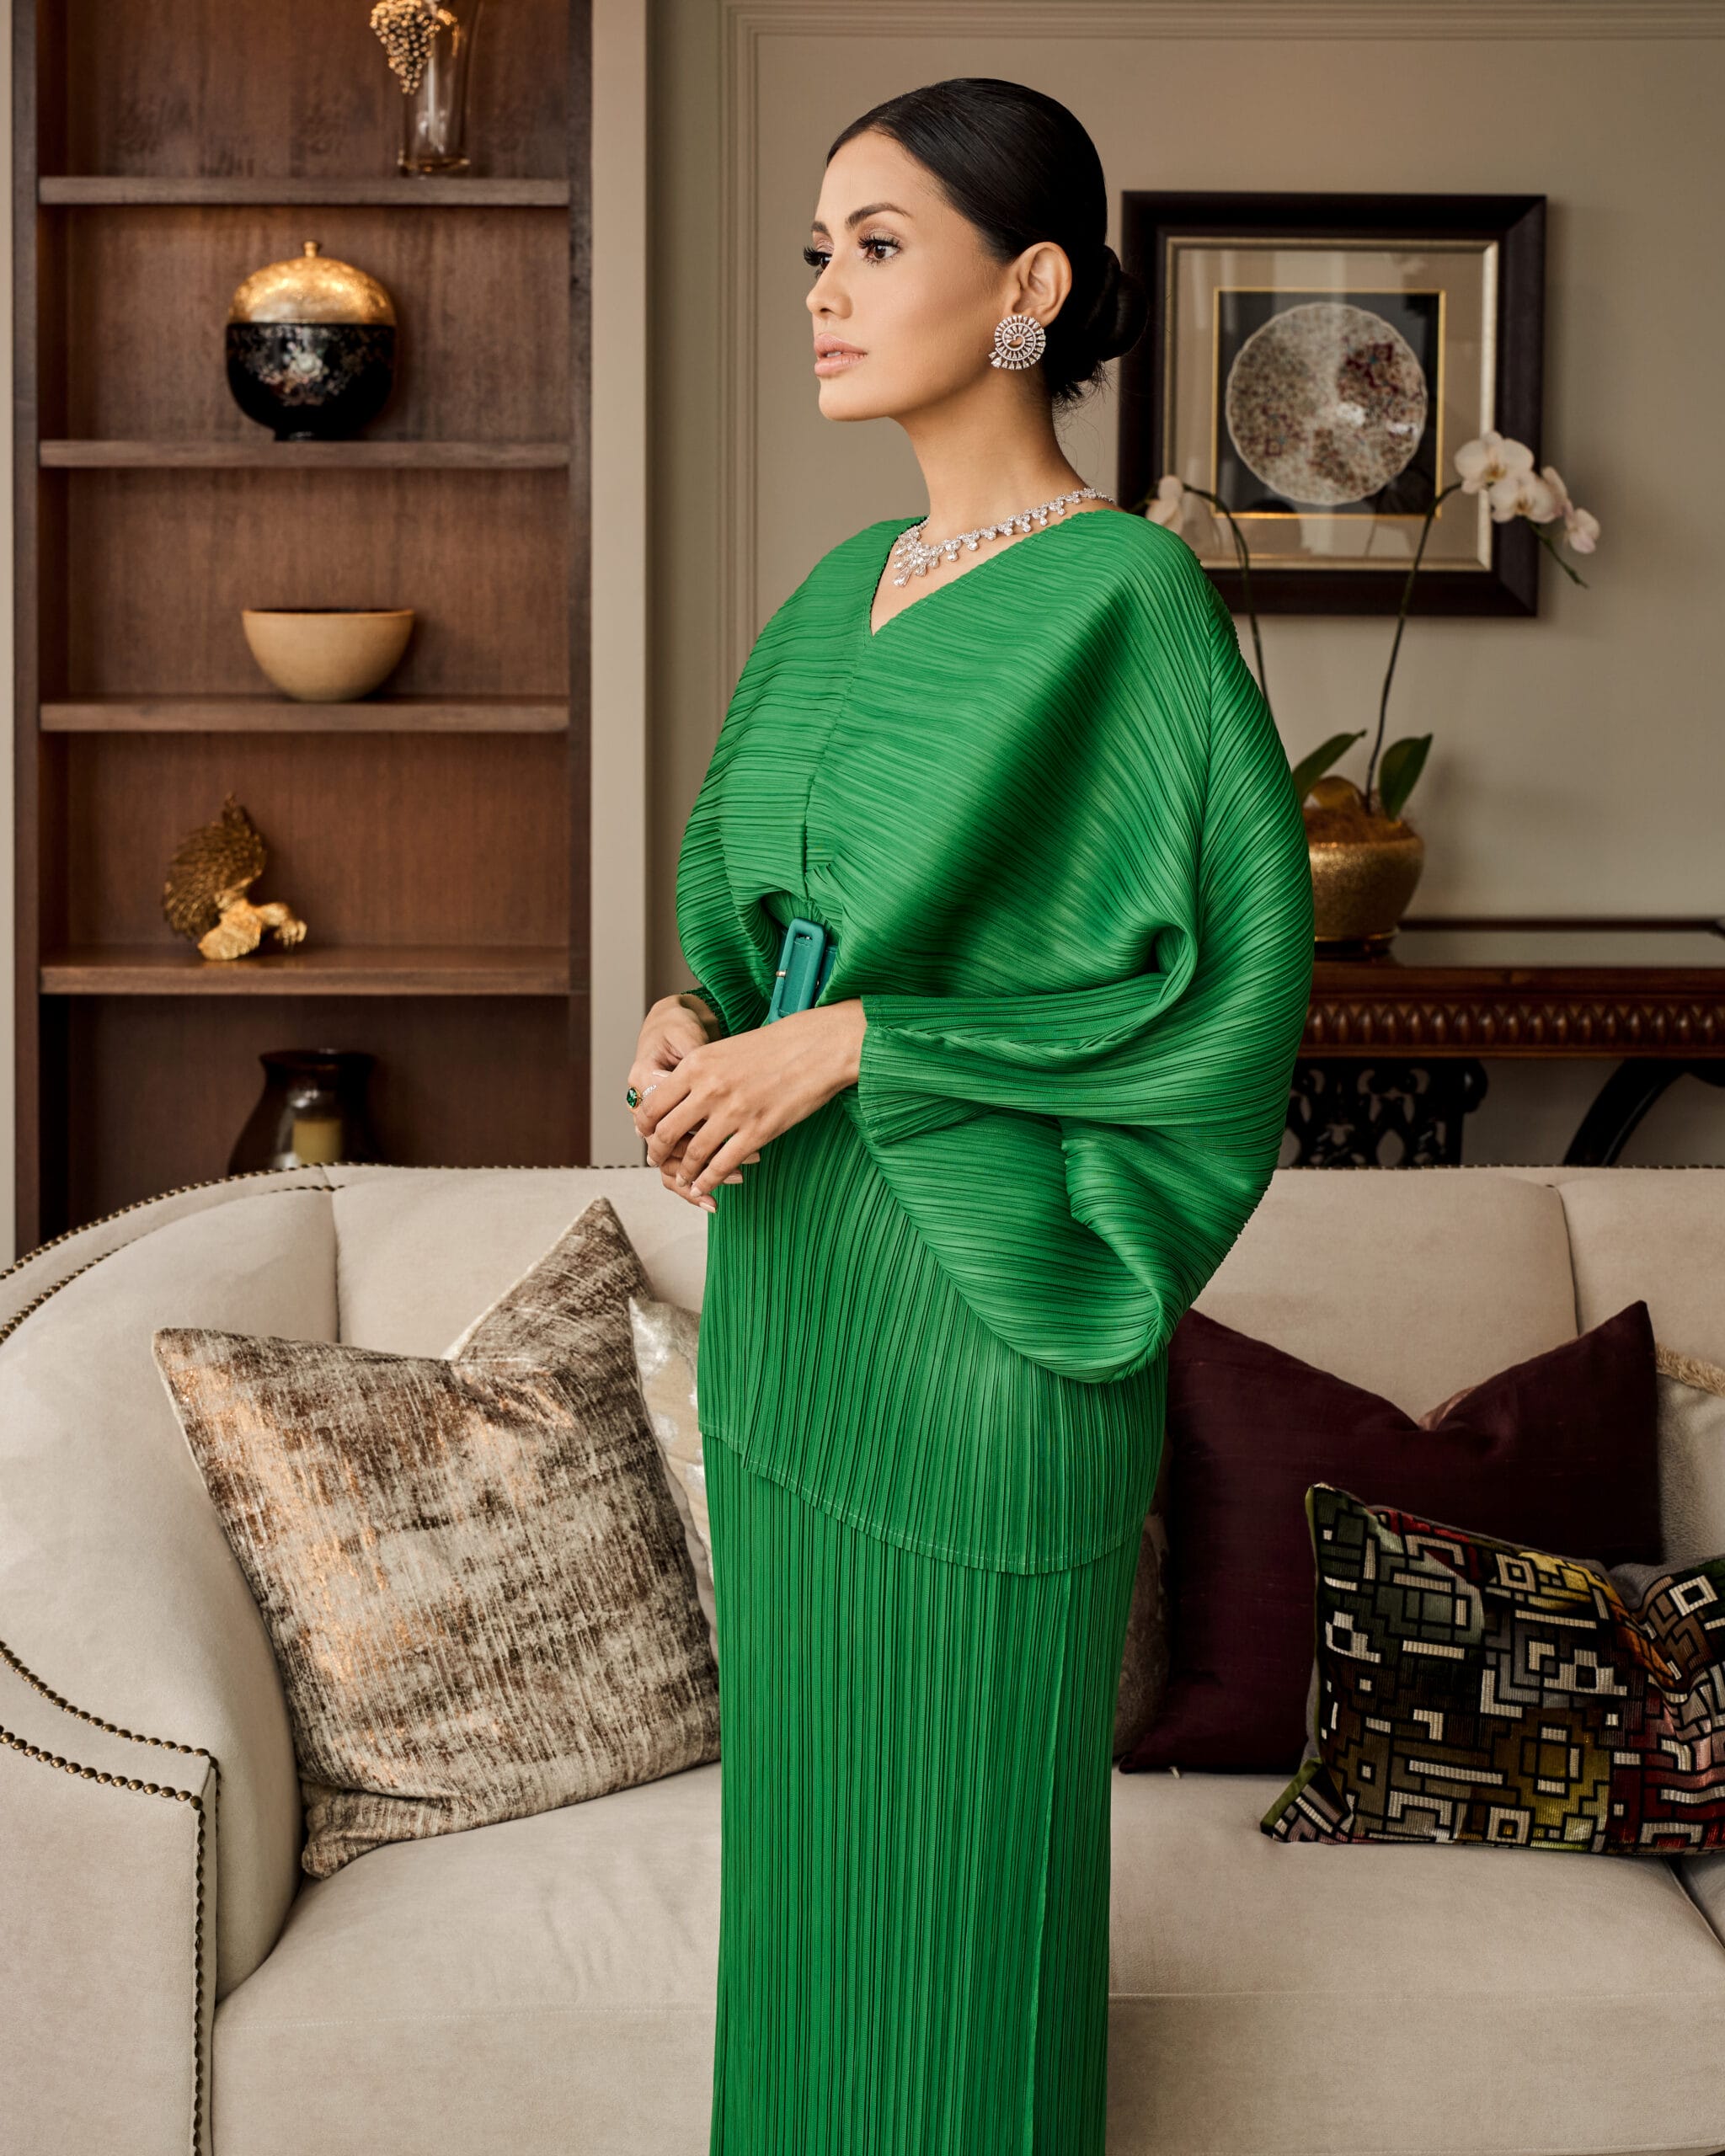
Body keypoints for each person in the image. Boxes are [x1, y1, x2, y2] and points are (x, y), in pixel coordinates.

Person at [626, 75, 1314, 2155]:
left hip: (985, 1317)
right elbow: (738, 931)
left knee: (965, 1902)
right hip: (794, 1301)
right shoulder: (836, 589)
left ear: (1029, 284)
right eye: (814, 252)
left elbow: (1218, 1004)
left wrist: (860, 1046)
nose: (823, 292)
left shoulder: (1128, 594)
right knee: (811, 1894)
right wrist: (688, 1022)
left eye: (877, 244)